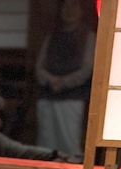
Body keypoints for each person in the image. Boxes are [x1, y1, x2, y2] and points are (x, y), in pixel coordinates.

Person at [35, 0, 96, 159]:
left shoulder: (88, 36)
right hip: (48, 95)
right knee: (46, 143)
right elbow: (39, 66)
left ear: (81, 11)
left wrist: (64, 82)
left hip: (72, 98)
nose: (69, 10)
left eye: (74, 6)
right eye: (66, 6)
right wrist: (50, 80)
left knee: (69, 142)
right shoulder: (52, 36)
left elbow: (87, 68)